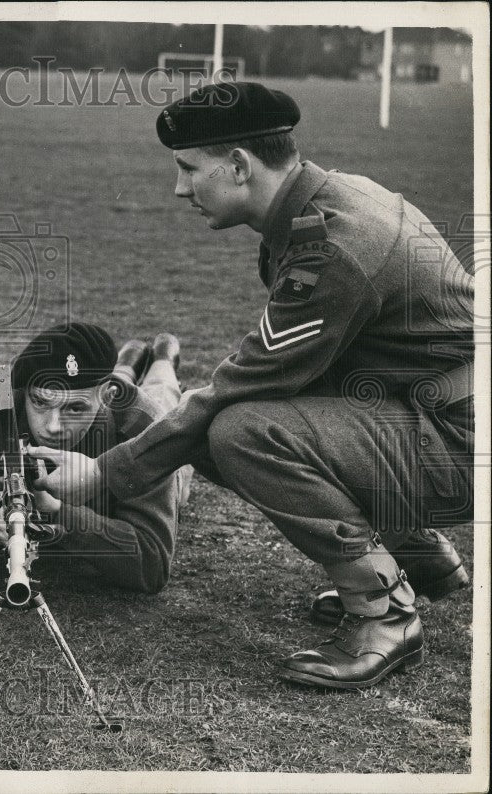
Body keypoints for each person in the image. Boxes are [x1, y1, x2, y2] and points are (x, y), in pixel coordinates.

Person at [32, 82, 473, 689]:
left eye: (190, 169)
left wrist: (104, 474)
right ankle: (417, 555)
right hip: (436, 412)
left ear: (239, 166)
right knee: (222, 421)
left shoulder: (332, 248)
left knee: (239, 431)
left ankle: (385, 613)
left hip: (459, 440)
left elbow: (239, 387)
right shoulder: (332, 198)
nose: (179, 188)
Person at [0, 323, 192, 594]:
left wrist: (59, 512)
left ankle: (163, 356)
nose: (53, 426)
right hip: (103, 388)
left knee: (164, 396)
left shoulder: (142, 426)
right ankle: (127, 361)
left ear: (107, 397)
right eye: (40, 402)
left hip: (143, 410)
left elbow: (152, 564)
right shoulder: (1, 410)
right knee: (113, 378)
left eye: (75, 408)